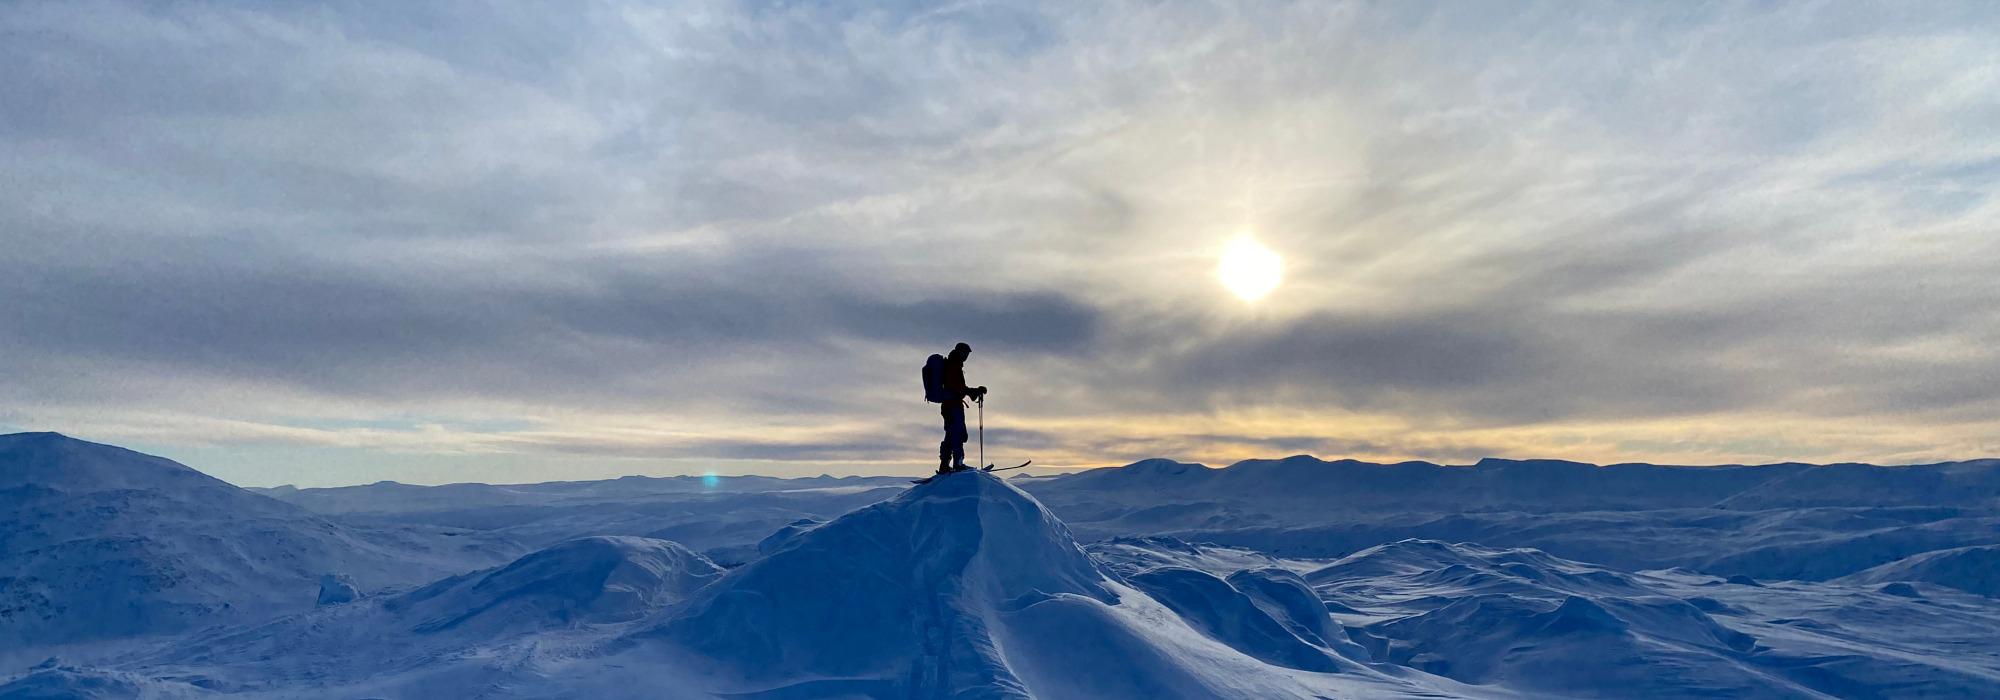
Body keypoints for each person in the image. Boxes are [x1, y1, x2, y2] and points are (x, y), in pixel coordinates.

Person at [938, 342, 987, 474]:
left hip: (949, 406)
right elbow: (958, 388)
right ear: (960, 352)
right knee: (958, 434)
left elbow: (958, 387)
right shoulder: (954, 366)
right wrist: (974, 392)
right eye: (965, 353)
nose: (966, 356)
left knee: (950, 434)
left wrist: (973, 392)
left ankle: (945, 464)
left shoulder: (952, 364)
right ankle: (958, 463)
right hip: (953, 406)